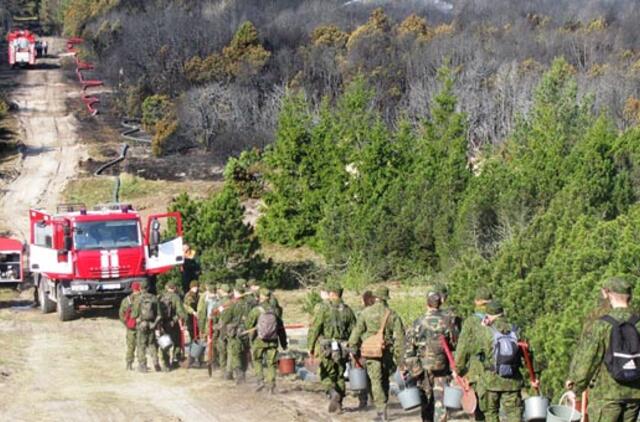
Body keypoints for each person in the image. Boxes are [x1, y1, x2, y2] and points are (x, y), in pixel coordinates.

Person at [566, 276, 640, 422]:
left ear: (608, 293)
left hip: (606, 397)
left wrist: (576, 388)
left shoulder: (601, 325)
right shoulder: (638, 323)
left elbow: (588, 359)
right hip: (635, 394)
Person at [455, 300, 537, 422]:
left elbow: (467, 350)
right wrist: (534, 377)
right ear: (503, 313)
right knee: (514, 414)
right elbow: (528, 354)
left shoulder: (485, 332)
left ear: (488, 315)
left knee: (490, 414)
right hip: (512, 381)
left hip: (490, 381)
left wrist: (459, 370)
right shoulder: (516, 330)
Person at [349, 286, 405, 422]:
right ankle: (384, 402)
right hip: (387, 351)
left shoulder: (366, 313)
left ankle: (381, 409)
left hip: (371, 351)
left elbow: (356, 332)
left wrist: (353, 348)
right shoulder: (392, 314)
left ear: (375, 297)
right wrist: (400, 357)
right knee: (385, 378)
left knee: (375, 380)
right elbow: (400, 338)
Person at [307, 282, 356, 413]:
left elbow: (315, 328)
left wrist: (310, 347)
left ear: (332, 294)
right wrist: (353, 349)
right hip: (342, 348)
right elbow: (354, 331)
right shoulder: (348, 310)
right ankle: (339, 404)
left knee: (326, 373)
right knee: (340, 374)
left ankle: (332, 392)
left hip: (326, 348)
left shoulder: (323, 308)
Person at [405, 290, 453, 422]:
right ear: (440, 303)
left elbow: (409, 349)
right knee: (441, 402)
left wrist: (411, 369)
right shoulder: (448, 321)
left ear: (427, 303)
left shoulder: (418, 322)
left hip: (423, 369)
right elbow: (454, 344)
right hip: (442, 367)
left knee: (425, 402)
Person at [454, 286, 493, 421]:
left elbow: (462, 348)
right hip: (498, 372)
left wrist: (457, 369)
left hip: (477, 371)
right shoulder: (497, 319)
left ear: (476, 302)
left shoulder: (471, 322)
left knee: (479, 412)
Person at [246, 288, 288, 394]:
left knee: (257, 360)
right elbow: (281, 328)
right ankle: (271, 385)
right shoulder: (276, 311)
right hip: (273, 341)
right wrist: (284, 343)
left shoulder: (256, 310)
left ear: (261, 297)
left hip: (259, 341)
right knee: (272, 364)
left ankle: (260, 381)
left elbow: (248, 325)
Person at [226, 279, 253, 383]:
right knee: (244, 353)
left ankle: (239, 374)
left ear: (236, 291)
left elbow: (226, 318)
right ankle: (244, 373)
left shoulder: (233, 304)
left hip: (236, 332)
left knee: (235, 354)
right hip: (247, 331)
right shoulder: (249, 303)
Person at [132, 280, 161, 373]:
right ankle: (156, 363)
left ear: (140, 288)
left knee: (141, 345)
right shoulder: (154, 298)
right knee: (152, 344)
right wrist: (155, 324)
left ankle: (143, 365)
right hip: (152, 324)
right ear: (148, 288)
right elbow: (159, 314)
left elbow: (134, 315)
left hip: (142, 325)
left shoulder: (138, 299)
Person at [158, 281, 187, 371]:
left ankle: (166, 365)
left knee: (165, 343)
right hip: (172, 324)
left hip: (162, 324)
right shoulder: (176, 297)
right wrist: (182, 320)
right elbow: (181, 313)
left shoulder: (160, 297)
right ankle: (175, 361)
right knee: (177, 342)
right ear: (174, 288)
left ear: (167, 288)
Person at [119, 281, 141, 370]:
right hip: (141, 325)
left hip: (130, 327)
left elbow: (121, 314)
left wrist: (127, 323)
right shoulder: (143, 298)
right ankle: (141, 364)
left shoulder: (126, 300)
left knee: (130, 346)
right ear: (140, 288)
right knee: (141, 345)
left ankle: (129, 363)